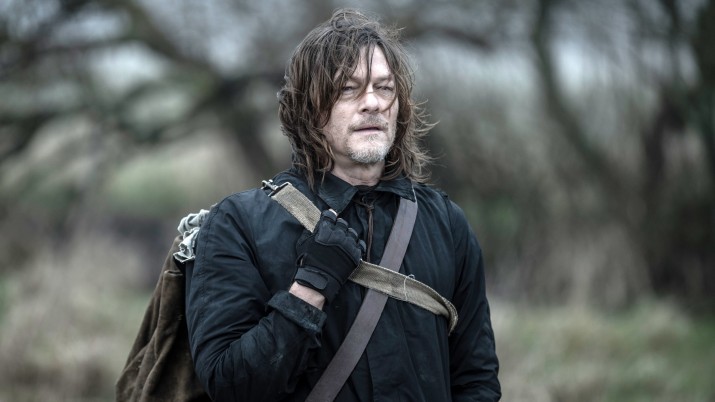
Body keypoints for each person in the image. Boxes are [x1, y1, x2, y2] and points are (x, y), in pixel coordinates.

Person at [185, 8, 501, 401]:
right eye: (348, 89)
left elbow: (476, 380)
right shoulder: (239, 224)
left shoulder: (445, 222)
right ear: (308, 109)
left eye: (384, 88)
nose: (373, 103)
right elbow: (228, 386)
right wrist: (309, 289)